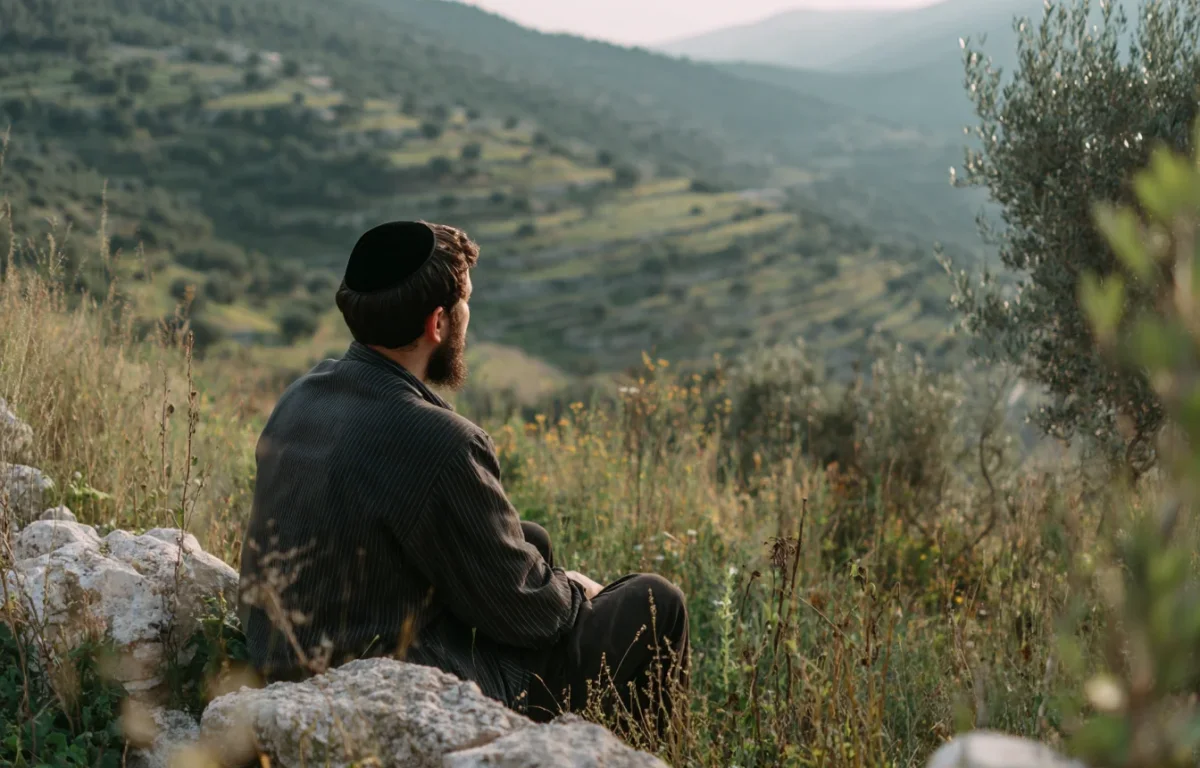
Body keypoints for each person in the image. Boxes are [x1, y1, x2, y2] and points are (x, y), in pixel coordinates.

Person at [237, 220, 689, 732]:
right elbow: (531, 614)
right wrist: (575, 592)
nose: (467, 316)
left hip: (289, 661)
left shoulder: (302, 394)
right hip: (385, 693)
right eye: (464, 304)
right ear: (437, 323)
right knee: (657, 603)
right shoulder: (442, 441)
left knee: (530, 539)